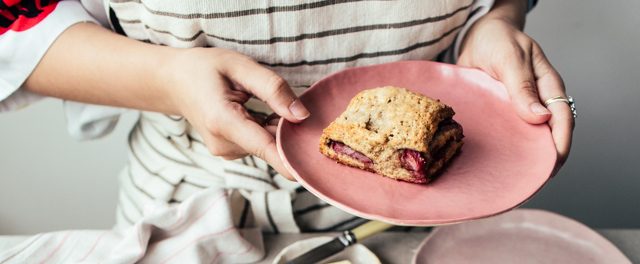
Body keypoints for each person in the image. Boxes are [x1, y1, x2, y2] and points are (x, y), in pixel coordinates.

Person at [0, 0, 575, 262]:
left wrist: (493, 22)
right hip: (189, 214)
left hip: (428, 226)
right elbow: (17, 21)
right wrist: (167, 79)